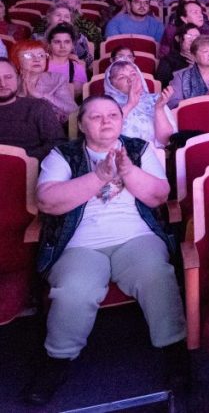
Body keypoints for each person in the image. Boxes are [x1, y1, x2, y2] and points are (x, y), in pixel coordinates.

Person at [23, 95, 186, 405]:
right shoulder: (63, 154)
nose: (106, 121)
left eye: (112, 115)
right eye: (96, 117)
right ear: (82, 125)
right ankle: (57, 360)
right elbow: (47, 201)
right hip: (79, 244)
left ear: (122, 121)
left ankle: (175, 350)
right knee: (75, 289)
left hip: (136, 237)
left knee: (156, 275)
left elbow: (158, 196)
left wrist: (129, 172)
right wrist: (98, 176)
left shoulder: (139, 149)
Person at [0, 59, 64, 160]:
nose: (3, 84)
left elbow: (57, 144)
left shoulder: (38, 107)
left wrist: (23, 160)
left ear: (18, 79)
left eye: (8, 77)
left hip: (33, 167)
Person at [105, 61, 177, 147]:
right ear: (111, 84)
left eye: (133, 74)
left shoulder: (156, 99)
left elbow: (165, 141)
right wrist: (130, 104)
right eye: (122, 77)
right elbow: (106, 136)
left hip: (157, 153)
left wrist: (159, 108)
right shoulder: (105, 105)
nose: (130, 79)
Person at [11, 40, 77, 123]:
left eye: (41, 55)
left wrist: (41, 95)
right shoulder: (8, 80)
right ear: (16, 60)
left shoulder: (57, 79)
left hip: (48, 126)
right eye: (29, 55)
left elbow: (73, 110)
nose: (37, 59)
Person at [45, 24, 88, 95]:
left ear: (72, 45)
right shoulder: (41, 64)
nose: (62, 46)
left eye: (67, 42)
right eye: (57, 42)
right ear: (49, 45)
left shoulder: (77, 67)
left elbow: (75, 93)